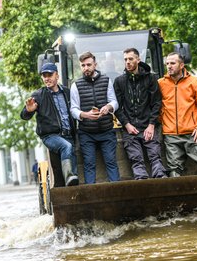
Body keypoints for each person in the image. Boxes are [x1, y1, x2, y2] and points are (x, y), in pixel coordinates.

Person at [158, 52, 197, 177]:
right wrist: (162, 121)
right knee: (174, 171)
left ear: (181, 65)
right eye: (167, 63)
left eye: (173, 63)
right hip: (171, 135)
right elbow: (156, 107)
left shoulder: (194, 82)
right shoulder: (161, 84)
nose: (169, 66)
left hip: (193, 133)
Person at [21, 63, 78, 186]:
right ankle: (68, 175)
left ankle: (71, 189)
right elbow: (24, 115)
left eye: (50, 75)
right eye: (44, 76)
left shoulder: (67, 92)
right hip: (50, 136)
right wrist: (28, 110)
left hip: (68, 135)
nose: (47, 78)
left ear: (57, 75)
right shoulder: (38, 95)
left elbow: (75, 111)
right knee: (66, 147)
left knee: (74, 177)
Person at [114, 48, 166, 180]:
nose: (128, 62)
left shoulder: (151, 78)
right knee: (136, 159)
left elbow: (156, 103)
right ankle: (141, 182)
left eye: (131, 59)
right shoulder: (119, 81)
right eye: (125, 59)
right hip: (130, 128)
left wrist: (151, 124)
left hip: (148, 125)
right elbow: (117, 107)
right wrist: (126, 124)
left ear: (138, 59)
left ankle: (161, 181)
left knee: (155, 156)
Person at [70, 51, 120, 184]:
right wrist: (85, 114)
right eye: (83, 65)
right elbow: (73, 109)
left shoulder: (106, 80)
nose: (86, 68)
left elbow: (114, 101)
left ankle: (117, 194)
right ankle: (90, 196)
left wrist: (108, 107)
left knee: (111, 162)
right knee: (89, 165)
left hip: (107, 130)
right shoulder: (75, 85)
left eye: (88, 65)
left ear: (95, 64)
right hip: (87, 133)